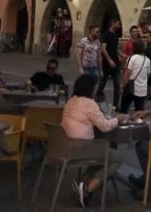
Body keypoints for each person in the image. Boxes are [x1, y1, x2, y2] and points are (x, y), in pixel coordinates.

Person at [61, 73, 121, 208]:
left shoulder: (71, 100)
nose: (97, 89)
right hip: (82, 147)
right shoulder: (89, 103)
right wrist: (118, 119)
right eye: (96, 87)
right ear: (90, 88)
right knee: (116, 157)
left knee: (102, 156)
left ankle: (81, 183)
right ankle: (89, 188)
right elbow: (105, 127)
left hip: (65, 146)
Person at [120, 39, 150, 114]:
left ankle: (123, 124)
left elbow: (127, 74)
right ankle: (139, 124)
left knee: (124, 109)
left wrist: (122, 85)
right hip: (142, 89)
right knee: (139, 112)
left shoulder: (131, 58)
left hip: (131, 88)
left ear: (134, 48)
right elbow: (148, 74)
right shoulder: (147, 60)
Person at [97, 19, 121, 106]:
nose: (119, 26)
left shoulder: (116, 35)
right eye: (118, 24)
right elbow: (103, 49)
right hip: (107, 64)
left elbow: (116, 48)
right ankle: (97, 99)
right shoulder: (106, 35)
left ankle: (115, 105)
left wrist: (121, 55)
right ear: (113, 23)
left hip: (116, 63)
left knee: (117, 85)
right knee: (102, 83)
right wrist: (109, 60)